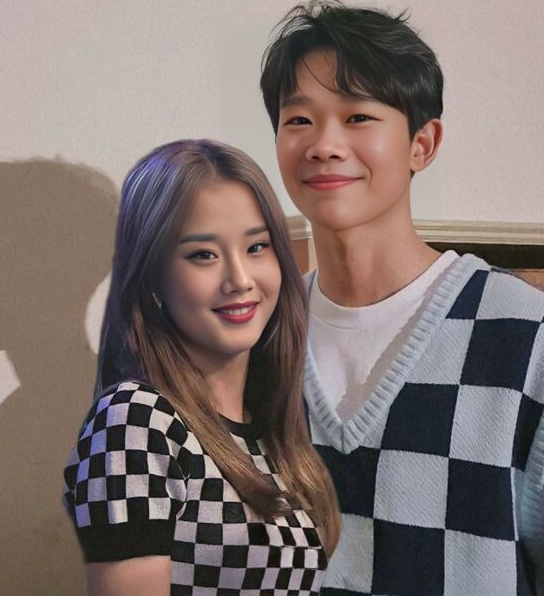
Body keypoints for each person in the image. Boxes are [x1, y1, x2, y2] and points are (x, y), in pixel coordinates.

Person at [260, 0, 544, 595]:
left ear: (423, 144)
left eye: (358, 116)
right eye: (299, 120)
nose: (324, 145)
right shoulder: (255, 341)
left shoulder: (540, 347)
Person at [62, 139, 340, 595]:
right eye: (203, 255)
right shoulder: (135, 419)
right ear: (153, 277)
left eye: (257, 247)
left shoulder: (273, 428)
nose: (240, 280)